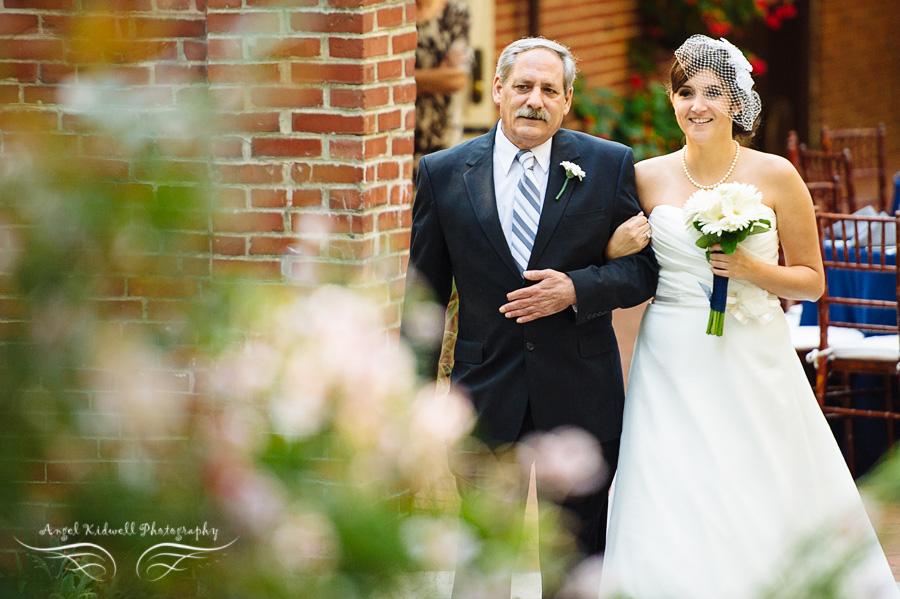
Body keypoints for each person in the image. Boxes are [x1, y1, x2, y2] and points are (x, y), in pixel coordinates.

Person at [598, 34, 900, 598]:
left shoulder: (776, 174)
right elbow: (612, 262)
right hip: (671, 351)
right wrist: (614, 248)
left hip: (752, 344)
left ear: (736, 101)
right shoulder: (644, 177)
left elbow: (812, 282)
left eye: (713, 92)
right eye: (685, 92)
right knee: (673, 477)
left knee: (760, 471)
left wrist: (749, 269)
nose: (698, 105)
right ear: (672, 101)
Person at [401, 37, 658, 598]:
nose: (533, 100)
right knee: (481, 557)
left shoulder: (606, 164)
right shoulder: (444, 174)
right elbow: (422, 297)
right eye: (522, 86)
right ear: (498, 90)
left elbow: (645, 272)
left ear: (567, 100)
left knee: (576, 557)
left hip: (581, 392)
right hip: (484, 393)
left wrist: (577, 288)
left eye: (549, 89)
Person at [414, 0, 471, 168]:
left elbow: (457, 79)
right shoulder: (394, 11)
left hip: (444, 137)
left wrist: (409, 77)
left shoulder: (454, 12)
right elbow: (386, 79)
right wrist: (438, 75)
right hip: (400, 136)